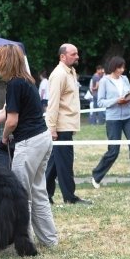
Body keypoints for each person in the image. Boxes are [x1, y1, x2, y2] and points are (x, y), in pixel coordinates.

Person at [0, 44, 58, 247]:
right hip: (43, 138)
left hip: (29, 143)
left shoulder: (14, 84)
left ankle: (23, 241)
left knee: (21, 196)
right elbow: (6, 112)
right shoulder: (26, 82)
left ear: (5, 62)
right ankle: (49, 239)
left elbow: (11, 121)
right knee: (38, 192)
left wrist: (3, 137)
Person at [90, 56, 130, 190]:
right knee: (114, 151)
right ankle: (97, 175)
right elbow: (100, 102)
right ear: (113, 67)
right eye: (120, 67)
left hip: (128, 117)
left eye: (123, 67)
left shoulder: (125, 79)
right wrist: (116, 100)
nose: (122, 70)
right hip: (113, 120)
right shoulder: (104, 81)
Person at [45, 43, 91, 205]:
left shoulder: (71, 72)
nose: (77, 56)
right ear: (62, 56)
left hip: (67, 125)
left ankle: (44, 195)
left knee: (55, 162)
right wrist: (51, 128)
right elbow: (53, 103)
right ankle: (70, 197)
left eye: (77, 54)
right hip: (61, 126)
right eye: (73, 54)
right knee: (64, 163)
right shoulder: (59, 74)